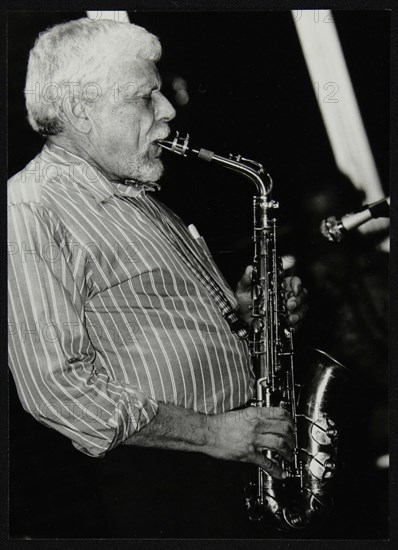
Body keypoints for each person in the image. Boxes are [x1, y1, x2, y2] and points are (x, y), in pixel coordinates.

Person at [8, 18, 308, 538]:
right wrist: (212, 433)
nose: (168, 110)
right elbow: (55, 387)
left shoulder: (134, 191)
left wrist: (244, 312)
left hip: (234, 457)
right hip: (174, 483)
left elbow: (154, 320)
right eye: (145, 97)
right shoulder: (27, 209)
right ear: (82, 110)